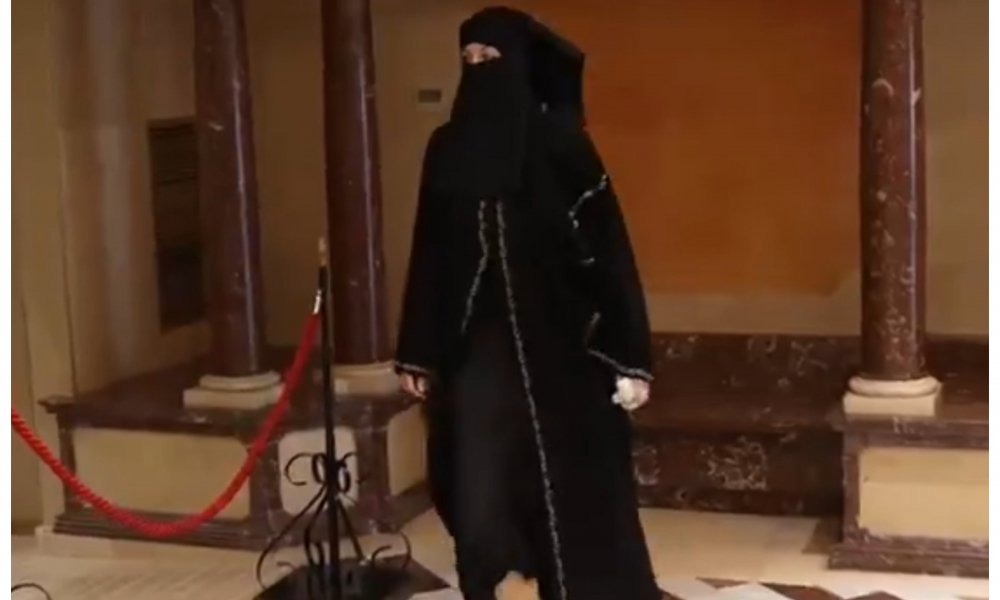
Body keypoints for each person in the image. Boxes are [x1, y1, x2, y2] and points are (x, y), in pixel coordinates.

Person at [394, 7, 661, 600]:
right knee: (478, 485)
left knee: (569, 488)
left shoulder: (561, 145)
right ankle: (491, 586)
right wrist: (417, 350)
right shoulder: (447, 148)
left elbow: (609, 250)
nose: (478, 70)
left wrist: (628, 356)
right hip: (476, 352)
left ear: (518, 65)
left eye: (490, 58)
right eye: (468, 60)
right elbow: (430, 249)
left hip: (563, 351)